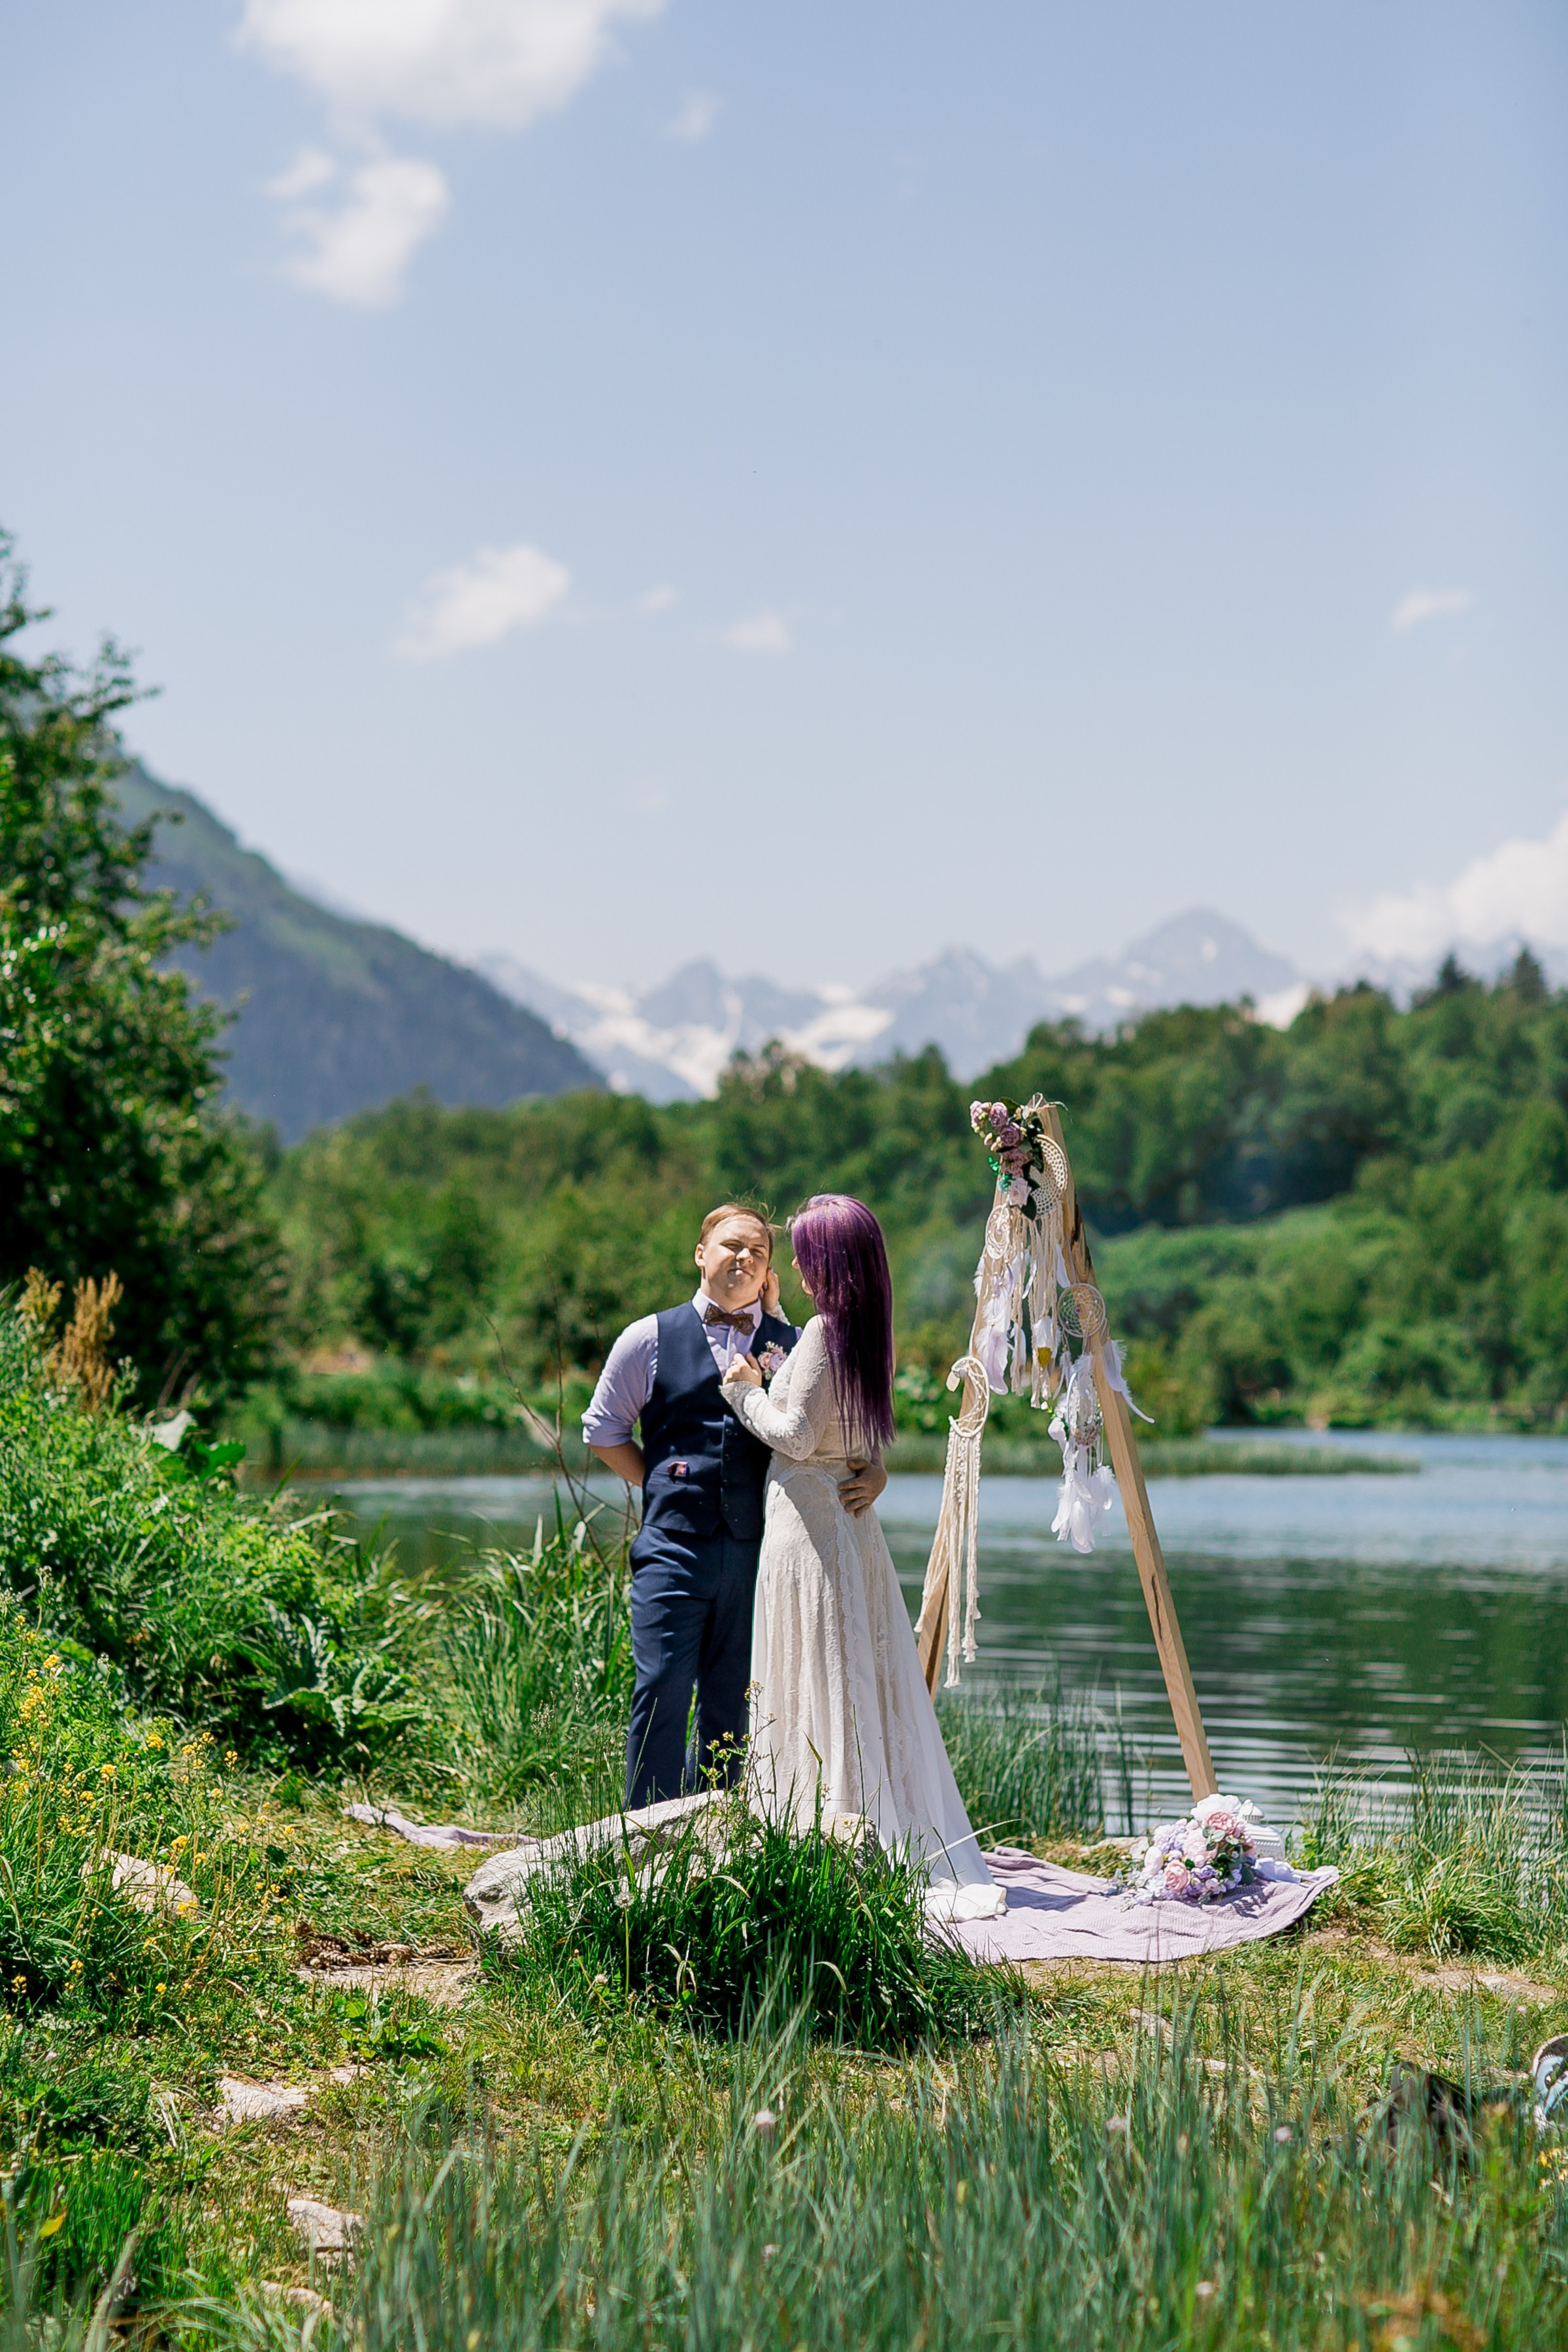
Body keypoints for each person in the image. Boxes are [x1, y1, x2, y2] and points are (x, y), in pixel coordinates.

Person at [719, 1194, 1004, 1921]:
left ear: (829, 1263)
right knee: (852, 1670)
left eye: (808, 1254)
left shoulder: (823, 1331)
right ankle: (869, 1813)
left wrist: (746, 1393)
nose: (800, 1269)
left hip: (811, 1524)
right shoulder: (869, 1331)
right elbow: (856, 1428)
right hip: (853, 1524)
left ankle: (823, 1820)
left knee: (814, 1666)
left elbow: (795, 1433)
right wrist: (873, 1464)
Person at [583, 1203, 887, 1808]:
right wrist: (659, 1485)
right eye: (730, 1245)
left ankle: (720, 1832)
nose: (743, 1257)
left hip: (760, 1551)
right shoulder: (649, 1336)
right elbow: (603, 1430)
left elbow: (838, 1427)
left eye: (758, 1250)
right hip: (674, 1546)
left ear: (770, 1270)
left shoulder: (799, 1343)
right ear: (701, 1253)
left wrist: (874, 1467)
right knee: (662, 1687)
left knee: (738, 1697)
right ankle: (647, 1833)